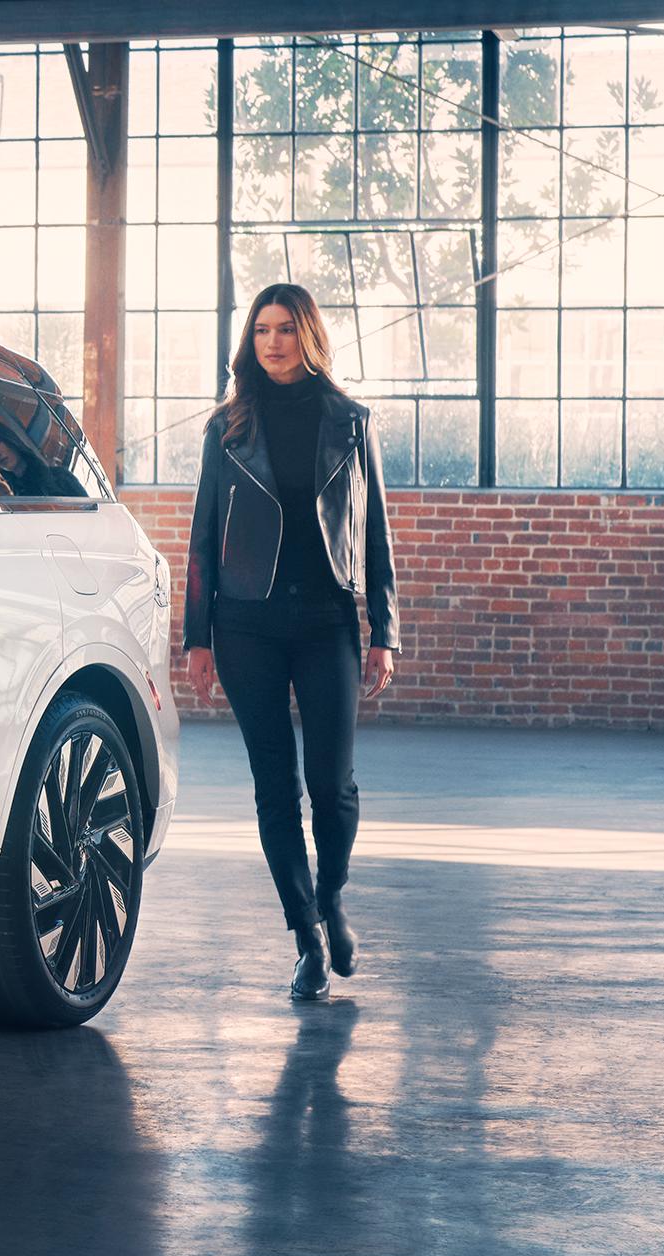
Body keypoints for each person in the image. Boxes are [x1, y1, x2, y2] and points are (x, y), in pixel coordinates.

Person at [180, 283, 401, 1003]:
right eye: (261, 330)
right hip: (245, 625)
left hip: (326, 622)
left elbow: (374, 533)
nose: (270, 342)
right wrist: (197, 638)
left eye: (284, 329)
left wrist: (383, 633)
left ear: (308, 335)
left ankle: (330, 895)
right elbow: (203, 538)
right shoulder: (226, 428)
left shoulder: (349, 421)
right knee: (273, 791)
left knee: (330, 788)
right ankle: (304, 936)